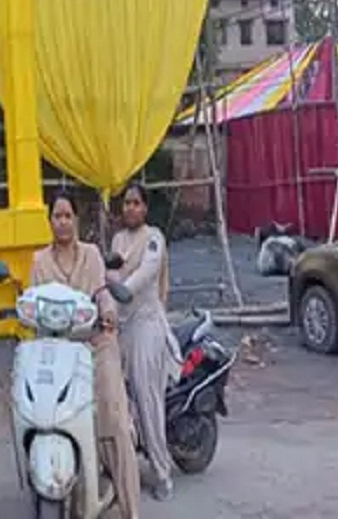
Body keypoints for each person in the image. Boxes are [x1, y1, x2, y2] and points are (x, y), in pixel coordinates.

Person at [31, 192, 142, 519]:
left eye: (68, 216)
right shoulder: (39, 261)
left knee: (115, 423)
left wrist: (108, 314)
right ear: (49, 221)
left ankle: (131, 510)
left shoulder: (92, 255)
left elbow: (102, 293)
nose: (63, 222)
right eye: (57, 216)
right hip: (57, 353)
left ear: (76, 220)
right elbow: (33, 304)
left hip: (96, 344)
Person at [110, 183, 182, 502]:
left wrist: (122, 288)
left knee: (145, 393)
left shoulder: (154, 238)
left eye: (136, 203)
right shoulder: (118, 240)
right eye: (126, 203)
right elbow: (110, 275)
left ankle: (162, 473)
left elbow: (145, 274)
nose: (130, 208)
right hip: (121, 324)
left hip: (147, 323)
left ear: (145, 208)